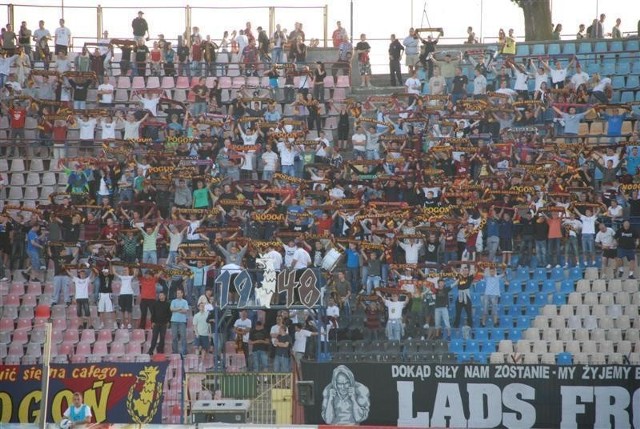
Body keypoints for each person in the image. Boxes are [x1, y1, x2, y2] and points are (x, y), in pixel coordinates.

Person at [148, 291, 171, 355]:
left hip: (164, 324)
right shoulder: (155, 304)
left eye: (161, 295)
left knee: (162, 338)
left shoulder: (167, 304)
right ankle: (151, 350)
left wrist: (168, 321)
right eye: (159, 295)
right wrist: (152, 322)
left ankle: (160, 350)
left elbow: (169, 314)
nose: (160, 296)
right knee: (154, 337)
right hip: (156, 323)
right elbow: (153, 314)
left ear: (164, 296)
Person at [170, 288, 189, 356]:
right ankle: (175, 352)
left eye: (179, 293)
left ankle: (184, 352)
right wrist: (180, 309)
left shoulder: (185, 301)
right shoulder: (173, 301)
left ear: (182, 294)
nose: (177, 294)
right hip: (174, 321)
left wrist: (176, 310)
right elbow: (171, 309)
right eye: (177, 293)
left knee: (183, 337)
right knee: (174, 337)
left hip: (182, 321)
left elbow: (185, 311)